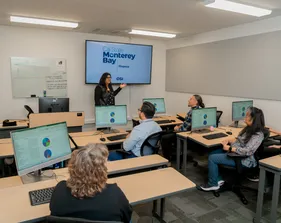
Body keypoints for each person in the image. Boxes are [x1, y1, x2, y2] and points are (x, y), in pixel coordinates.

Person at [50, 143, 132, 222]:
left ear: (73, 167)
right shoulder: (115, 194)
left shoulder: (59, 190)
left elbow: (53, 211)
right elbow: (127, 217)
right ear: (101, 171)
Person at [199, 107, 265, 191]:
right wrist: (229, 141)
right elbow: (240, 140)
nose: (245, 116)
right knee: (212, 153)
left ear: (253, 119)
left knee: (212, 158)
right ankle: (218, 179)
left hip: (243, 160)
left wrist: (229, 148)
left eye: (247, 115)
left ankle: (212, 184)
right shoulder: (248, 129)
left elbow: (247, 151)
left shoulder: (258, 135)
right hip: (236, 153)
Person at [161, 95, 205, 160]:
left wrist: (177, 128)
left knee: (164, 137)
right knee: (166, 132)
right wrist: (180, 125)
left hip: (185, 134)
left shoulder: (193, 112)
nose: (188, 100)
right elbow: (188, 123)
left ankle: (167, 159)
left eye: (191, 99)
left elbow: (185, 129)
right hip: (190, 132)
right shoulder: (197, 109)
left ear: (196, 102)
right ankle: (170, 153)